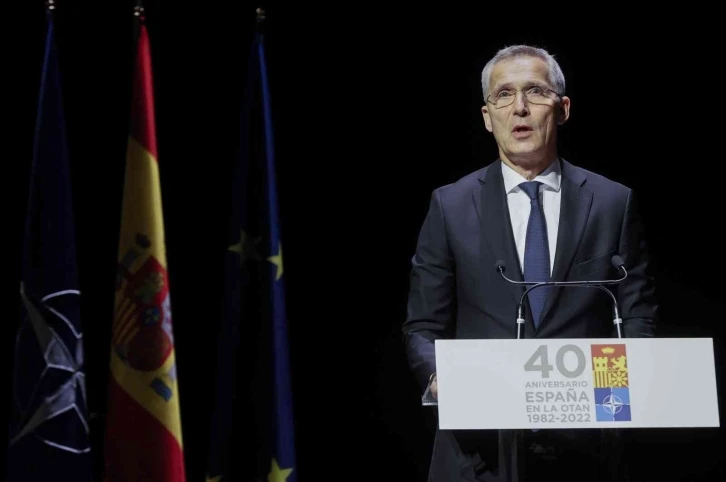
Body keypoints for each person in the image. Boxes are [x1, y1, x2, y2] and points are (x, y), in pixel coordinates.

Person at [402, 44, 658, 482]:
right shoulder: (451, 205)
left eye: (535, 91)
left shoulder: (612, 202)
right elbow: (423, 326)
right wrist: (439, 377)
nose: (519, 107)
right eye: (504, 94)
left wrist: (611, 397)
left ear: (563, 109)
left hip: (586, 451)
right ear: (487, 117)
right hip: (480, 453)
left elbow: (637, 318)